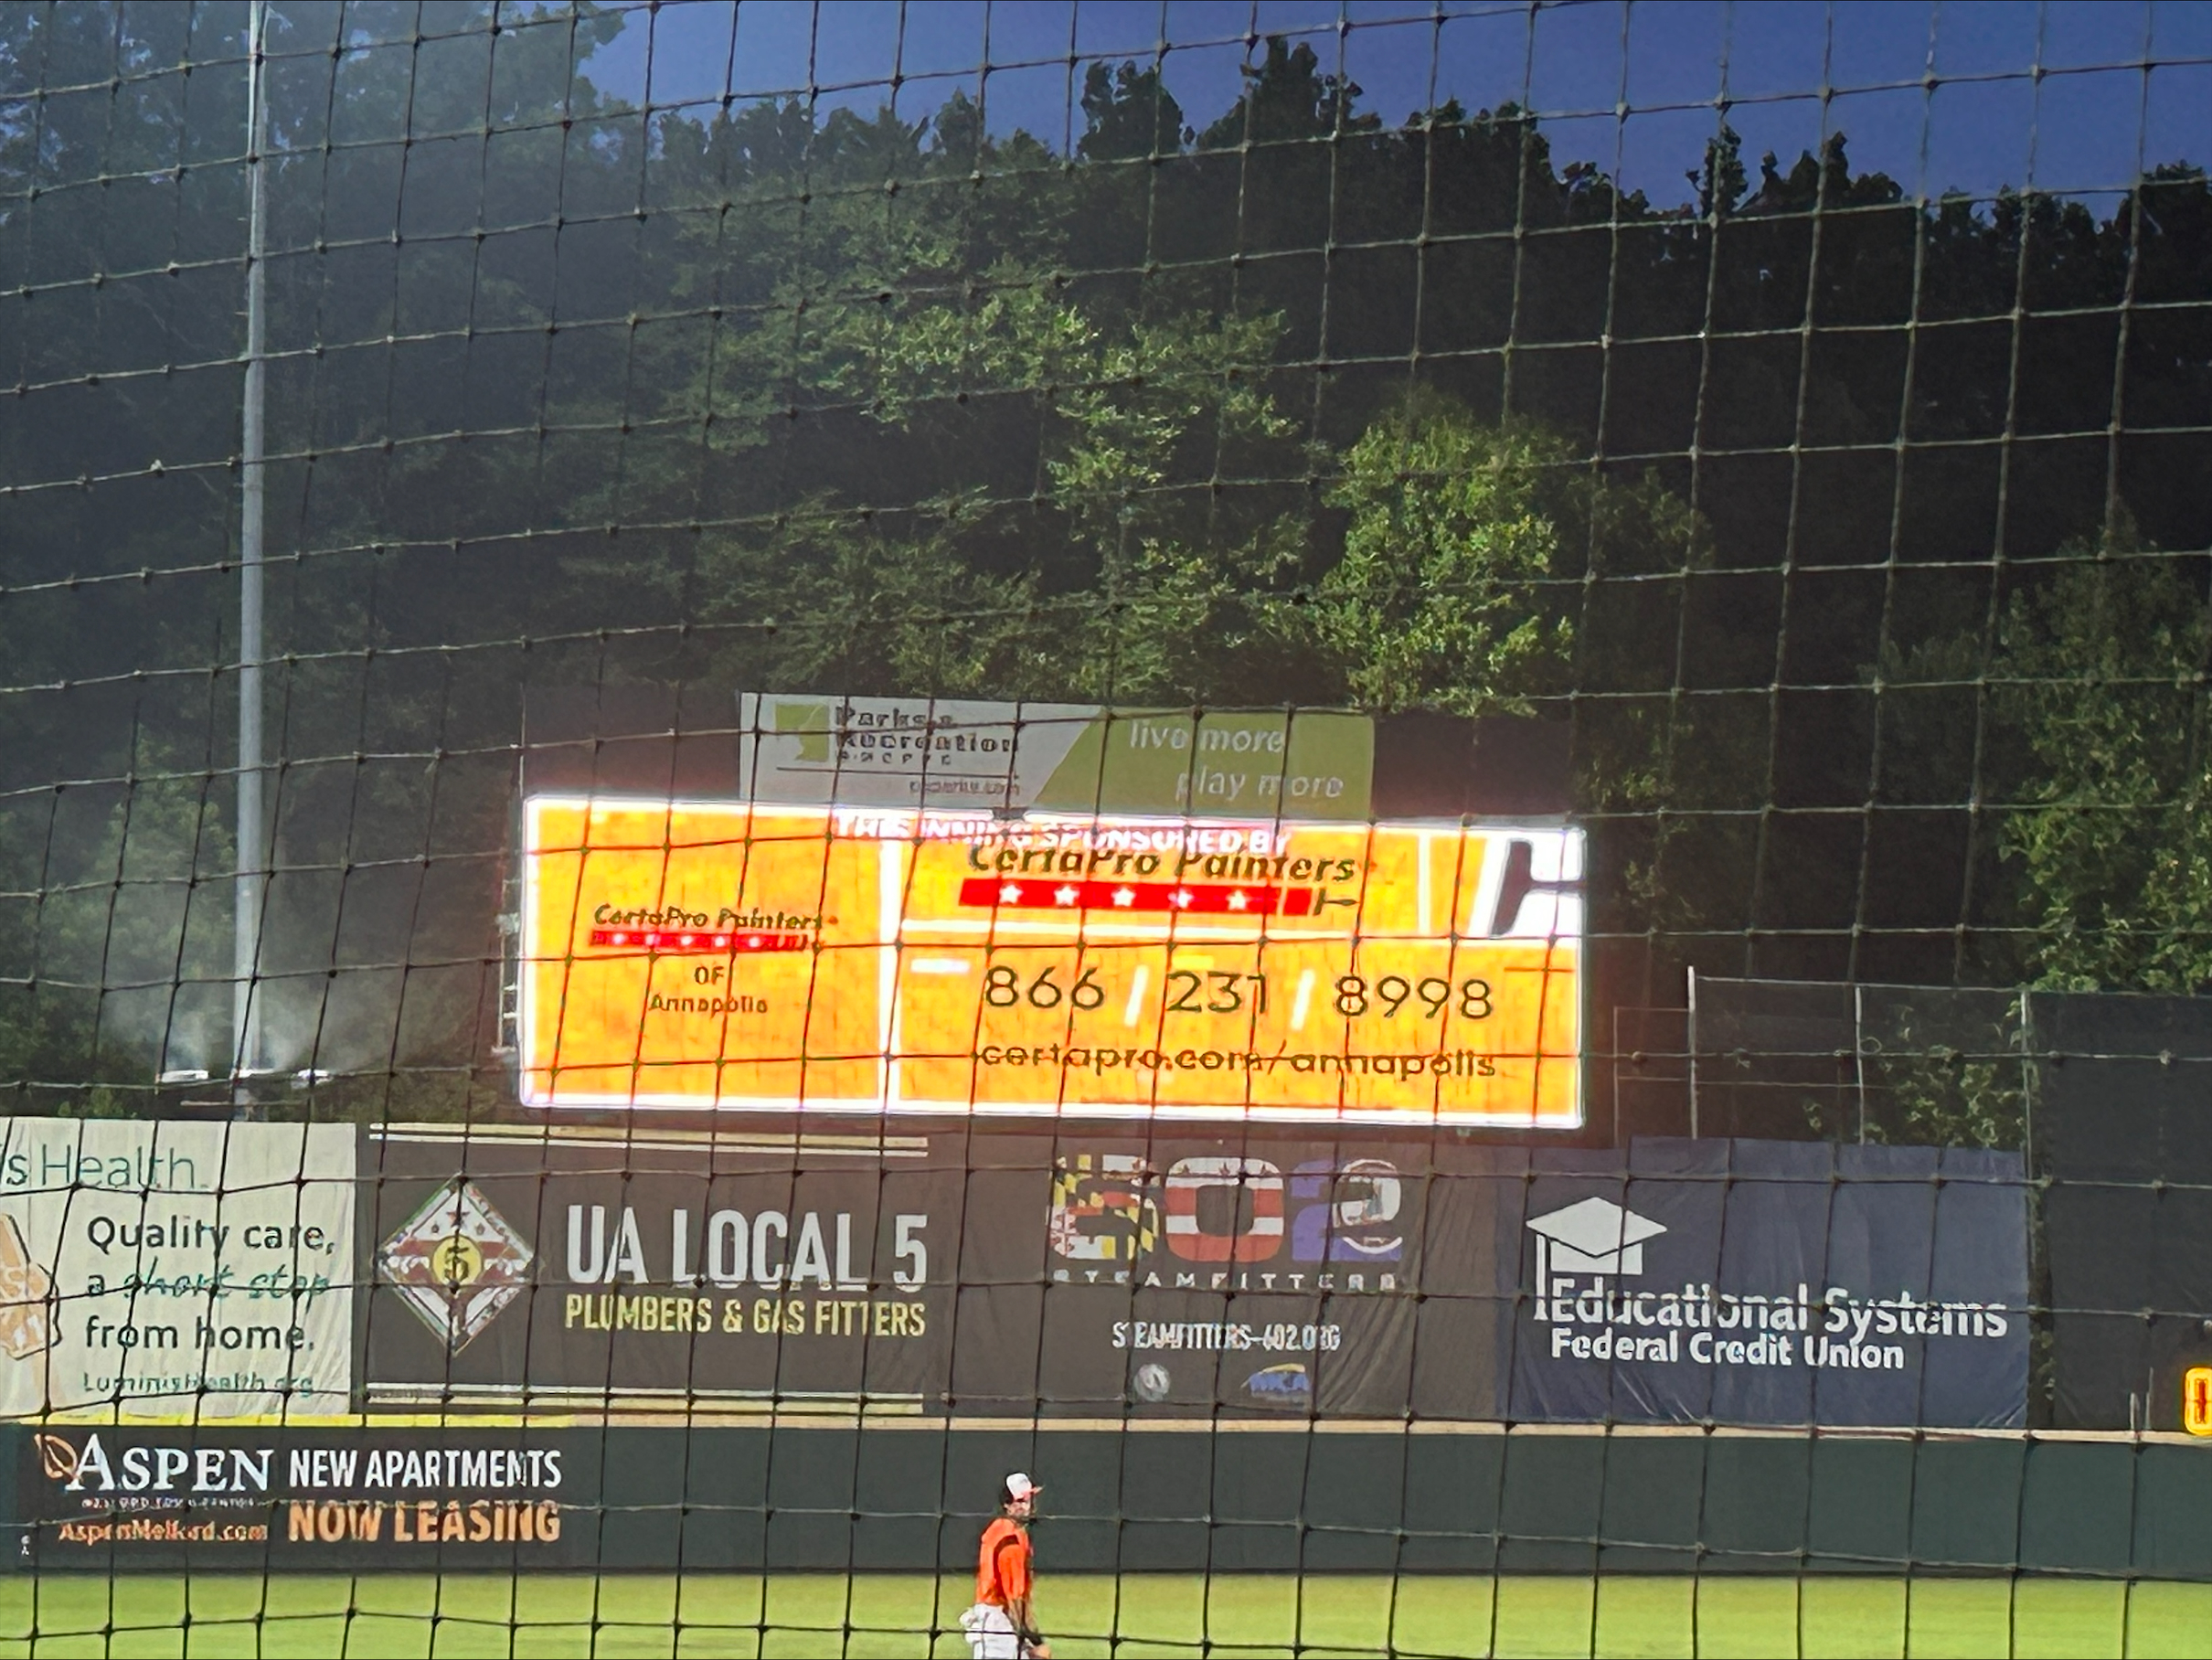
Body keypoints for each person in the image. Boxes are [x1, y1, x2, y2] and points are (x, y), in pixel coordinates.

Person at [961, 1472, 1049, 1658]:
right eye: (1021, 1501)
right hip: (997, 1626)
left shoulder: (1002, 1528)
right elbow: (1016, 1603)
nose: (1028, 1506)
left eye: (1029, 1499)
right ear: (1007, 1505)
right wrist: (1037, 1642)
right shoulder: (1010, 1544)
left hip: (998, 1619)